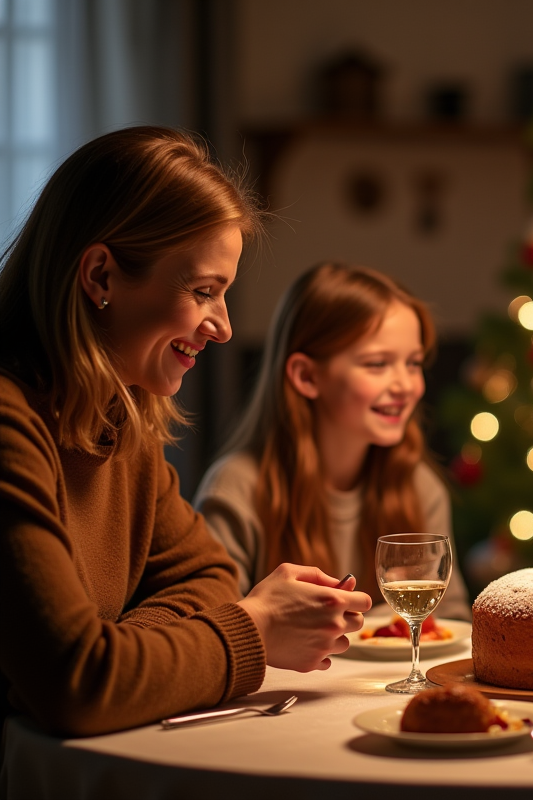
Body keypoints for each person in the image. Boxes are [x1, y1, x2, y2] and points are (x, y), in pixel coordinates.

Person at [0, 127, 371, 737]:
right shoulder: (10, 422)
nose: (222, 328)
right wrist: (253, 630)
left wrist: (122, 650)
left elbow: (210, 576)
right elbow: (79, 687)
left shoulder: (120, 421)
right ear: (100, 277)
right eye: (203, 292)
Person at [194, 261, 470, 620]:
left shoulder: (418, 485)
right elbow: (215, 633)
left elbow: (449, 623)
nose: (405, 385)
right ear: (307, 376)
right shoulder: (237, 488)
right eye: (377, 364)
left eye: (414, 363)